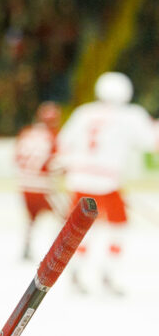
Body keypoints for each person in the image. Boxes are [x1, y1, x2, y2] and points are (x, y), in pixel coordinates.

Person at [56, 72, 158, 295]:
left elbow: (63, 142)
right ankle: (107, 274)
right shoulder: (131, 115)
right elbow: (152, 142)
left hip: (79, 180)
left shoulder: (84, 112)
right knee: (118, 227)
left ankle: (76, 272)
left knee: (82, 229)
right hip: (108, 182)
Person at [14, 101, 64, 261]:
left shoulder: (26, 132)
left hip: (25, 185)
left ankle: (27, 247)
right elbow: (57, 163)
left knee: (31, 218)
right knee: (63, 217)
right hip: (43, 186)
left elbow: (16, 157)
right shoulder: (53, 136)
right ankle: (59, 251)